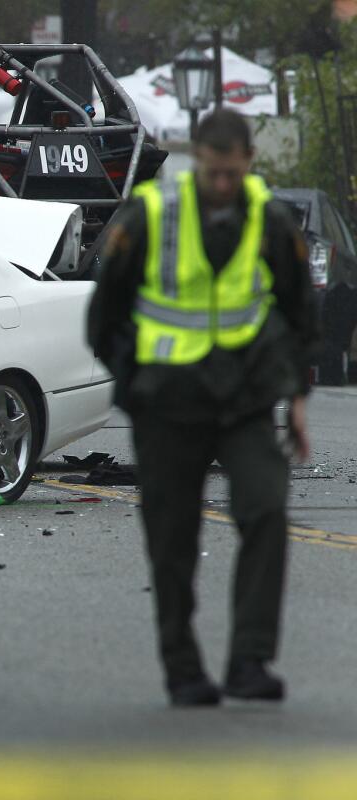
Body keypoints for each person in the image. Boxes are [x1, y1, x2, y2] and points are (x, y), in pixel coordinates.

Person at [87, 108, 318, 707]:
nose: (221, 185)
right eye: (212, 173)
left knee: (266, 510)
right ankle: (183, 669)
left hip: (245, 402)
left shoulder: (271, 221)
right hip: (167, 407)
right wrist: (134, 385)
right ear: (199, 162)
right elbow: (104, 315)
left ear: (248, 163)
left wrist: (294, 396)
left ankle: (249, 660)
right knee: (172, 539)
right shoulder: (151, 215)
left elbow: (298, 315)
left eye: (231, 174)